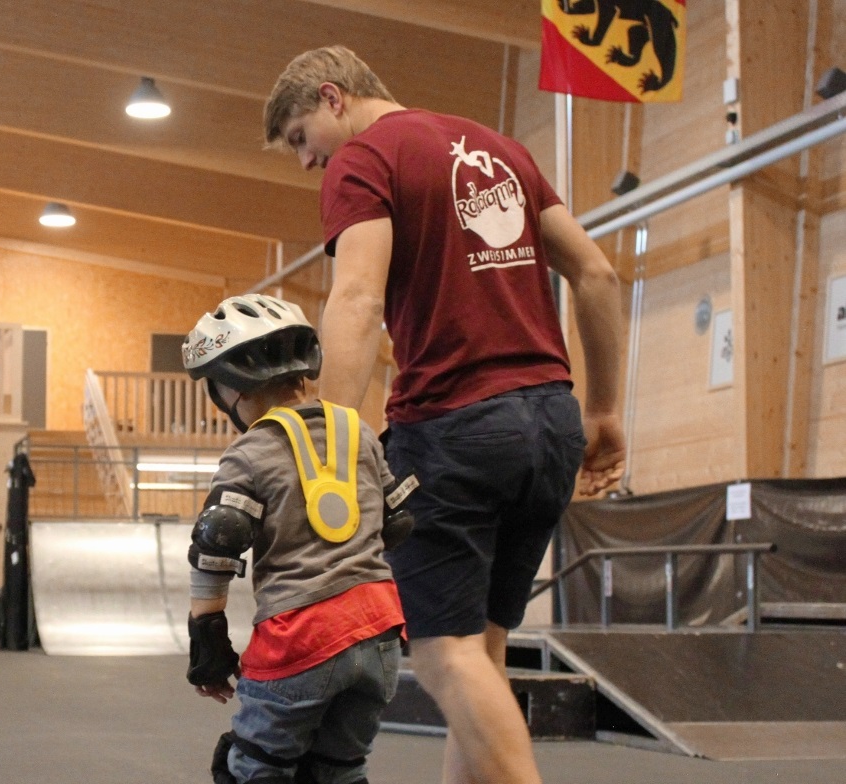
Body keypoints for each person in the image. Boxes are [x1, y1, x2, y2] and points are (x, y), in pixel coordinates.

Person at [263, 46, 626, 784]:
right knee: (480, 652)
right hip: (550, 425)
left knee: (442, 653)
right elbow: (597, 272)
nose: (306, 160)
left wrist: (327, 447)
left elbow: (357, 299)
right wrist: (606, 410)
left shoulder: (363, 160)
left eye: (301, 137)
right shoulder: (502, 150)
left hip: (455, 431)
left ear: (333, 97)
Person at [181, 292, 417, 784]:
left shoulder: (249, 452)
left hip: (302, 635)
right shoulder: (359, 432)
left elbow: (218, 540)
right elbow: (396, 523)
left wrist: (208, 640)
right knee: (338, 770)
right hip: (380, 631)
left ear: (232, 387)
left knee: (254, 766)